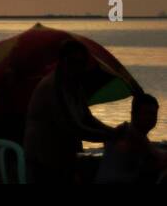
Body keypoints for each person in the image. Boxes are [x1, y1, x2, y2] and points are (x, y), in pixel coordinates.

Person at [24, 40, 117, 184]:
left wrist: (111, 131)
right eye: (73, 62)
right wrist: (109, 136)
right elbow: (73, 127)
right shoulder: (53, 87)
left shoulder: (73, 83)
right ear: (62, 61)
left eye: (81, 63)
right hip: (43, 158)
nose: (77, 67)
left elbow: (87, 118)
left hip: (63, 155)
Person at [95, 93, 166, 185]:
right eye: (146, 113)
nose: (151, 118)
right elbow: (160, 157)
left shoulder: (127, 130)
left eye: (153, 114)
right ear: (133, 114)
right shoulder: (130, 133)